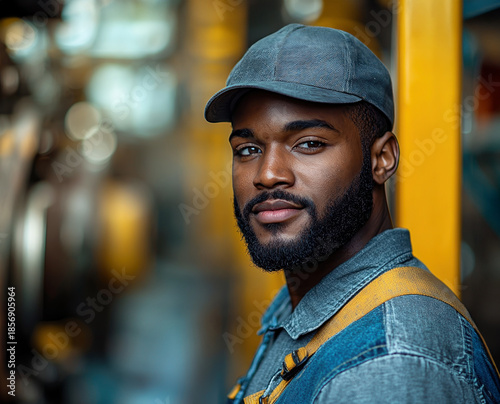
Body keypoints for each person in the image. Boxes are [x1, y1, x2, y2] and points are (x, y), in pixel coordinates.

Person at [204, 23, 500, 404]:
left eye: (309, 143)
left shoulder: (387, 369)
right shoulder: (306, 304)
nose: (268, 174)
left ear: (382, 158)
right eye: (247, 149)